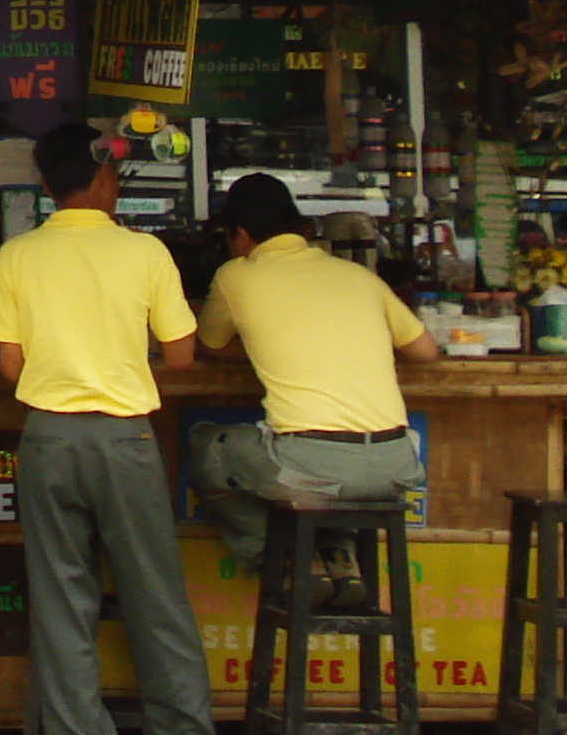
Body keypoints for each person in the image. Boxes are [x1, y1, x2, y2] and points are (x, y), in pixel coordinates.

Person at [0, 120, 241, 735]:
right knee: (157, 603)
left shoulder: (17, 256)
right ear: (103, 178)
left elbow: (9, 366)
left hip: (49, 440)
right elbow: (183, 355)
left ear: (44, 186)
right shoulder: (147, 253)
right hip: (126, 440)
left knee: (64, 611)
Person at [188, 172, 439, 607]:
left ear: (240, 235)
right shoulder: (357, 276)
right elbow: (425, 352)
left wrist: (267, 339)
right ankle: (340, 558)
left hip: (312, 466)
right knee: (323, 486)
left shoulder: (235, 275)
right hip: (396, 465)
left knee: (208, 447)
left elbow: (211, 347)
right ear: (301, 228)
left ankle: (286, 560)